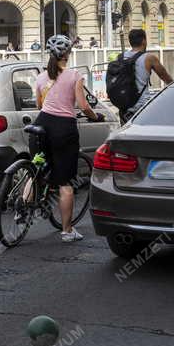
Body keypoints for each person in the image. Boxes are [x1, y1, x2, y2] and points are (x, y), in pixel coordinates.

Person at [34, 35, 104, 242]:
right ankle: (67, 230)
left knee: (36, 166)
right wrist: (95, 116)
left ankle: (22, 205)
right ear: (67, 54)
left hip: (41, 124)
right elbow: (84, 106)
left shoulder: (40, 77)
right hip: (63, 129)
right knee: (66, 184)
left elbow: (40, 105)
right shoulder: (75, 76)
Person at [120, 29, 174, 121]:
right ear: (144, 41)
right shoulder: (149, 58)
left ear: (130, 42)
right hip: (142, 109)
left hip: (124, 109)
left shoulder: (121, 57)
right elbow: (167, 79)